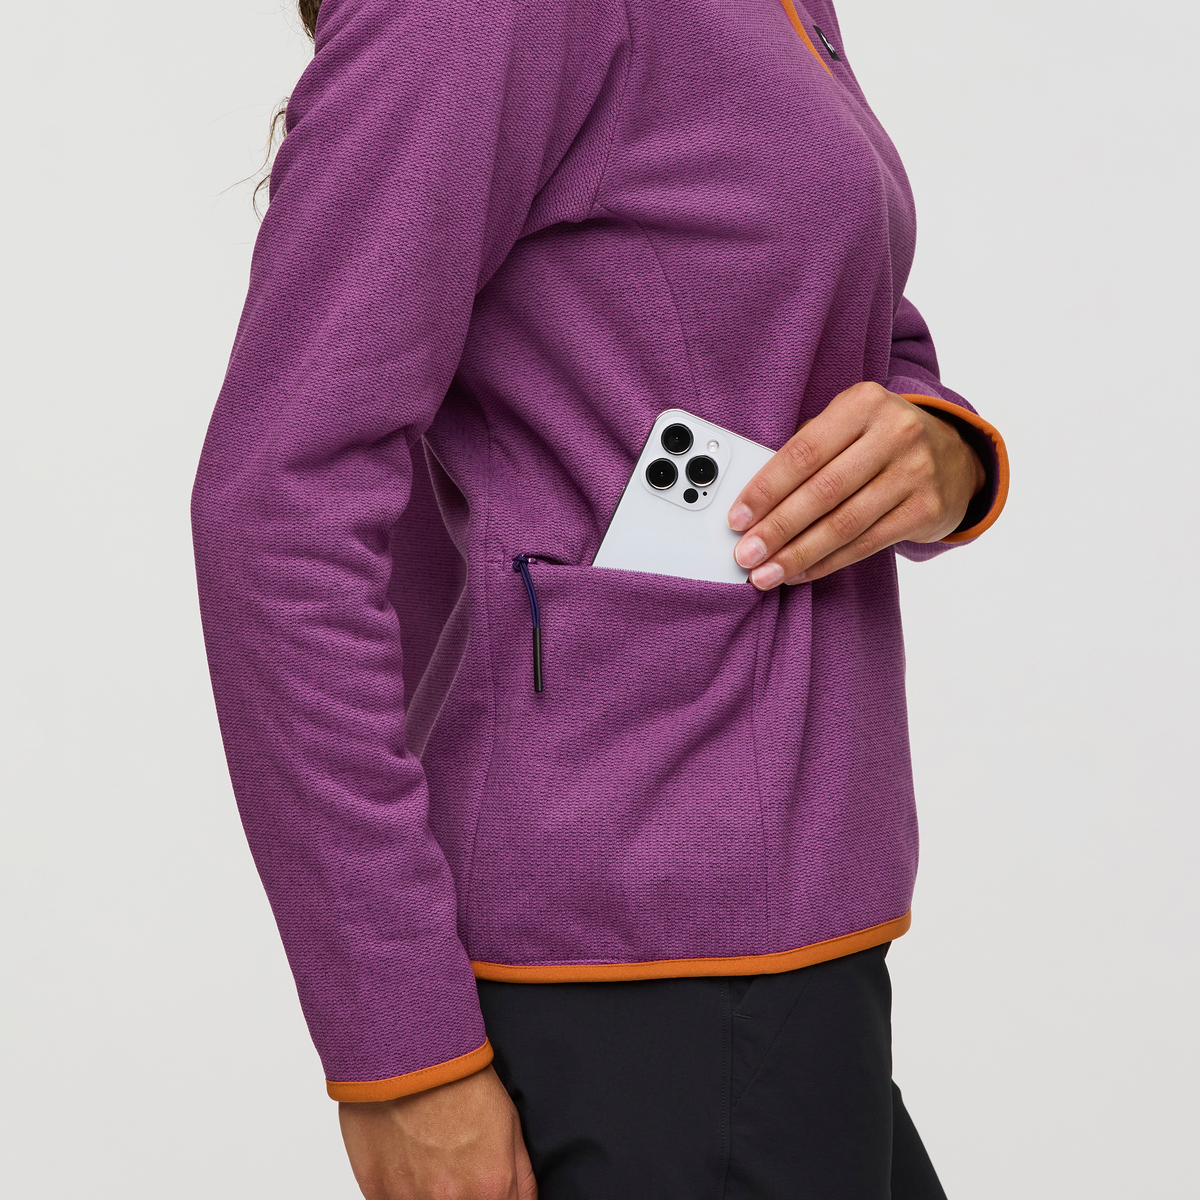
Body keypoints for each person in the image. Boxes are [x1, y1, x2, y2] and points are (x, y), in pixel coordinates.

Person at [192, 0, 1009, 1194]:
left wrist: (941, 450)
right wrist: (402, 1061)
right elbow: (275, 504)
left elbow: (833, 320)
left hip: (800, 933)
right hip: (633, 958)